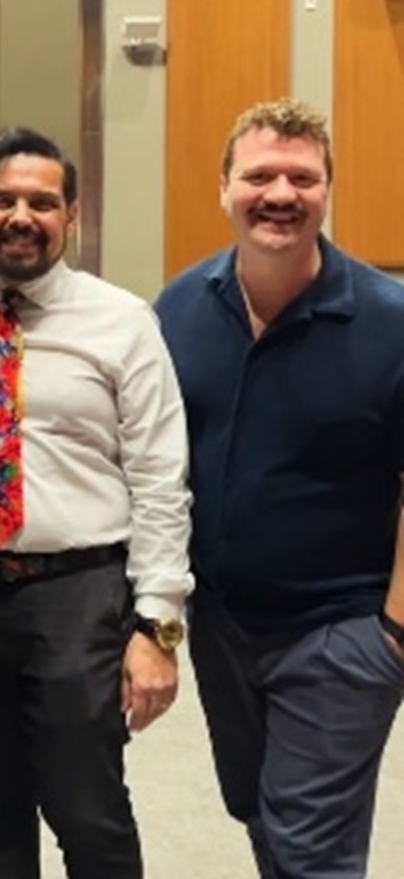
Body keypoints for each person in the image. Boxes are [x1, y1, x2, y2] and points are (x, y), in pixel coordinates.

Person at [0, 126, 191, 879]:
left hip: (79, 596)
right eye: (3, 199)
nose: (21, 215)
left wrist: (158, 627)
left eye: (42, 202)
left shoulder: (124, 321)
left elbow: (161, 478)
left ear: (72, 215)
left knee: (87, 809)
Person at [155, 98, 404, 879]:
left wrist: (392, 633)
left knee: (311, 849)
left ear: (328, 191)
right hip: (223, 627)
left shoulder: (389, 322)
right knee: (260, 813)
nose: (281, 194)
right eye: (260, 174)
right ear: (224, 188)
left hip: (340, 630)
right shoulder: (179, 309)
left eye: (303, 177)